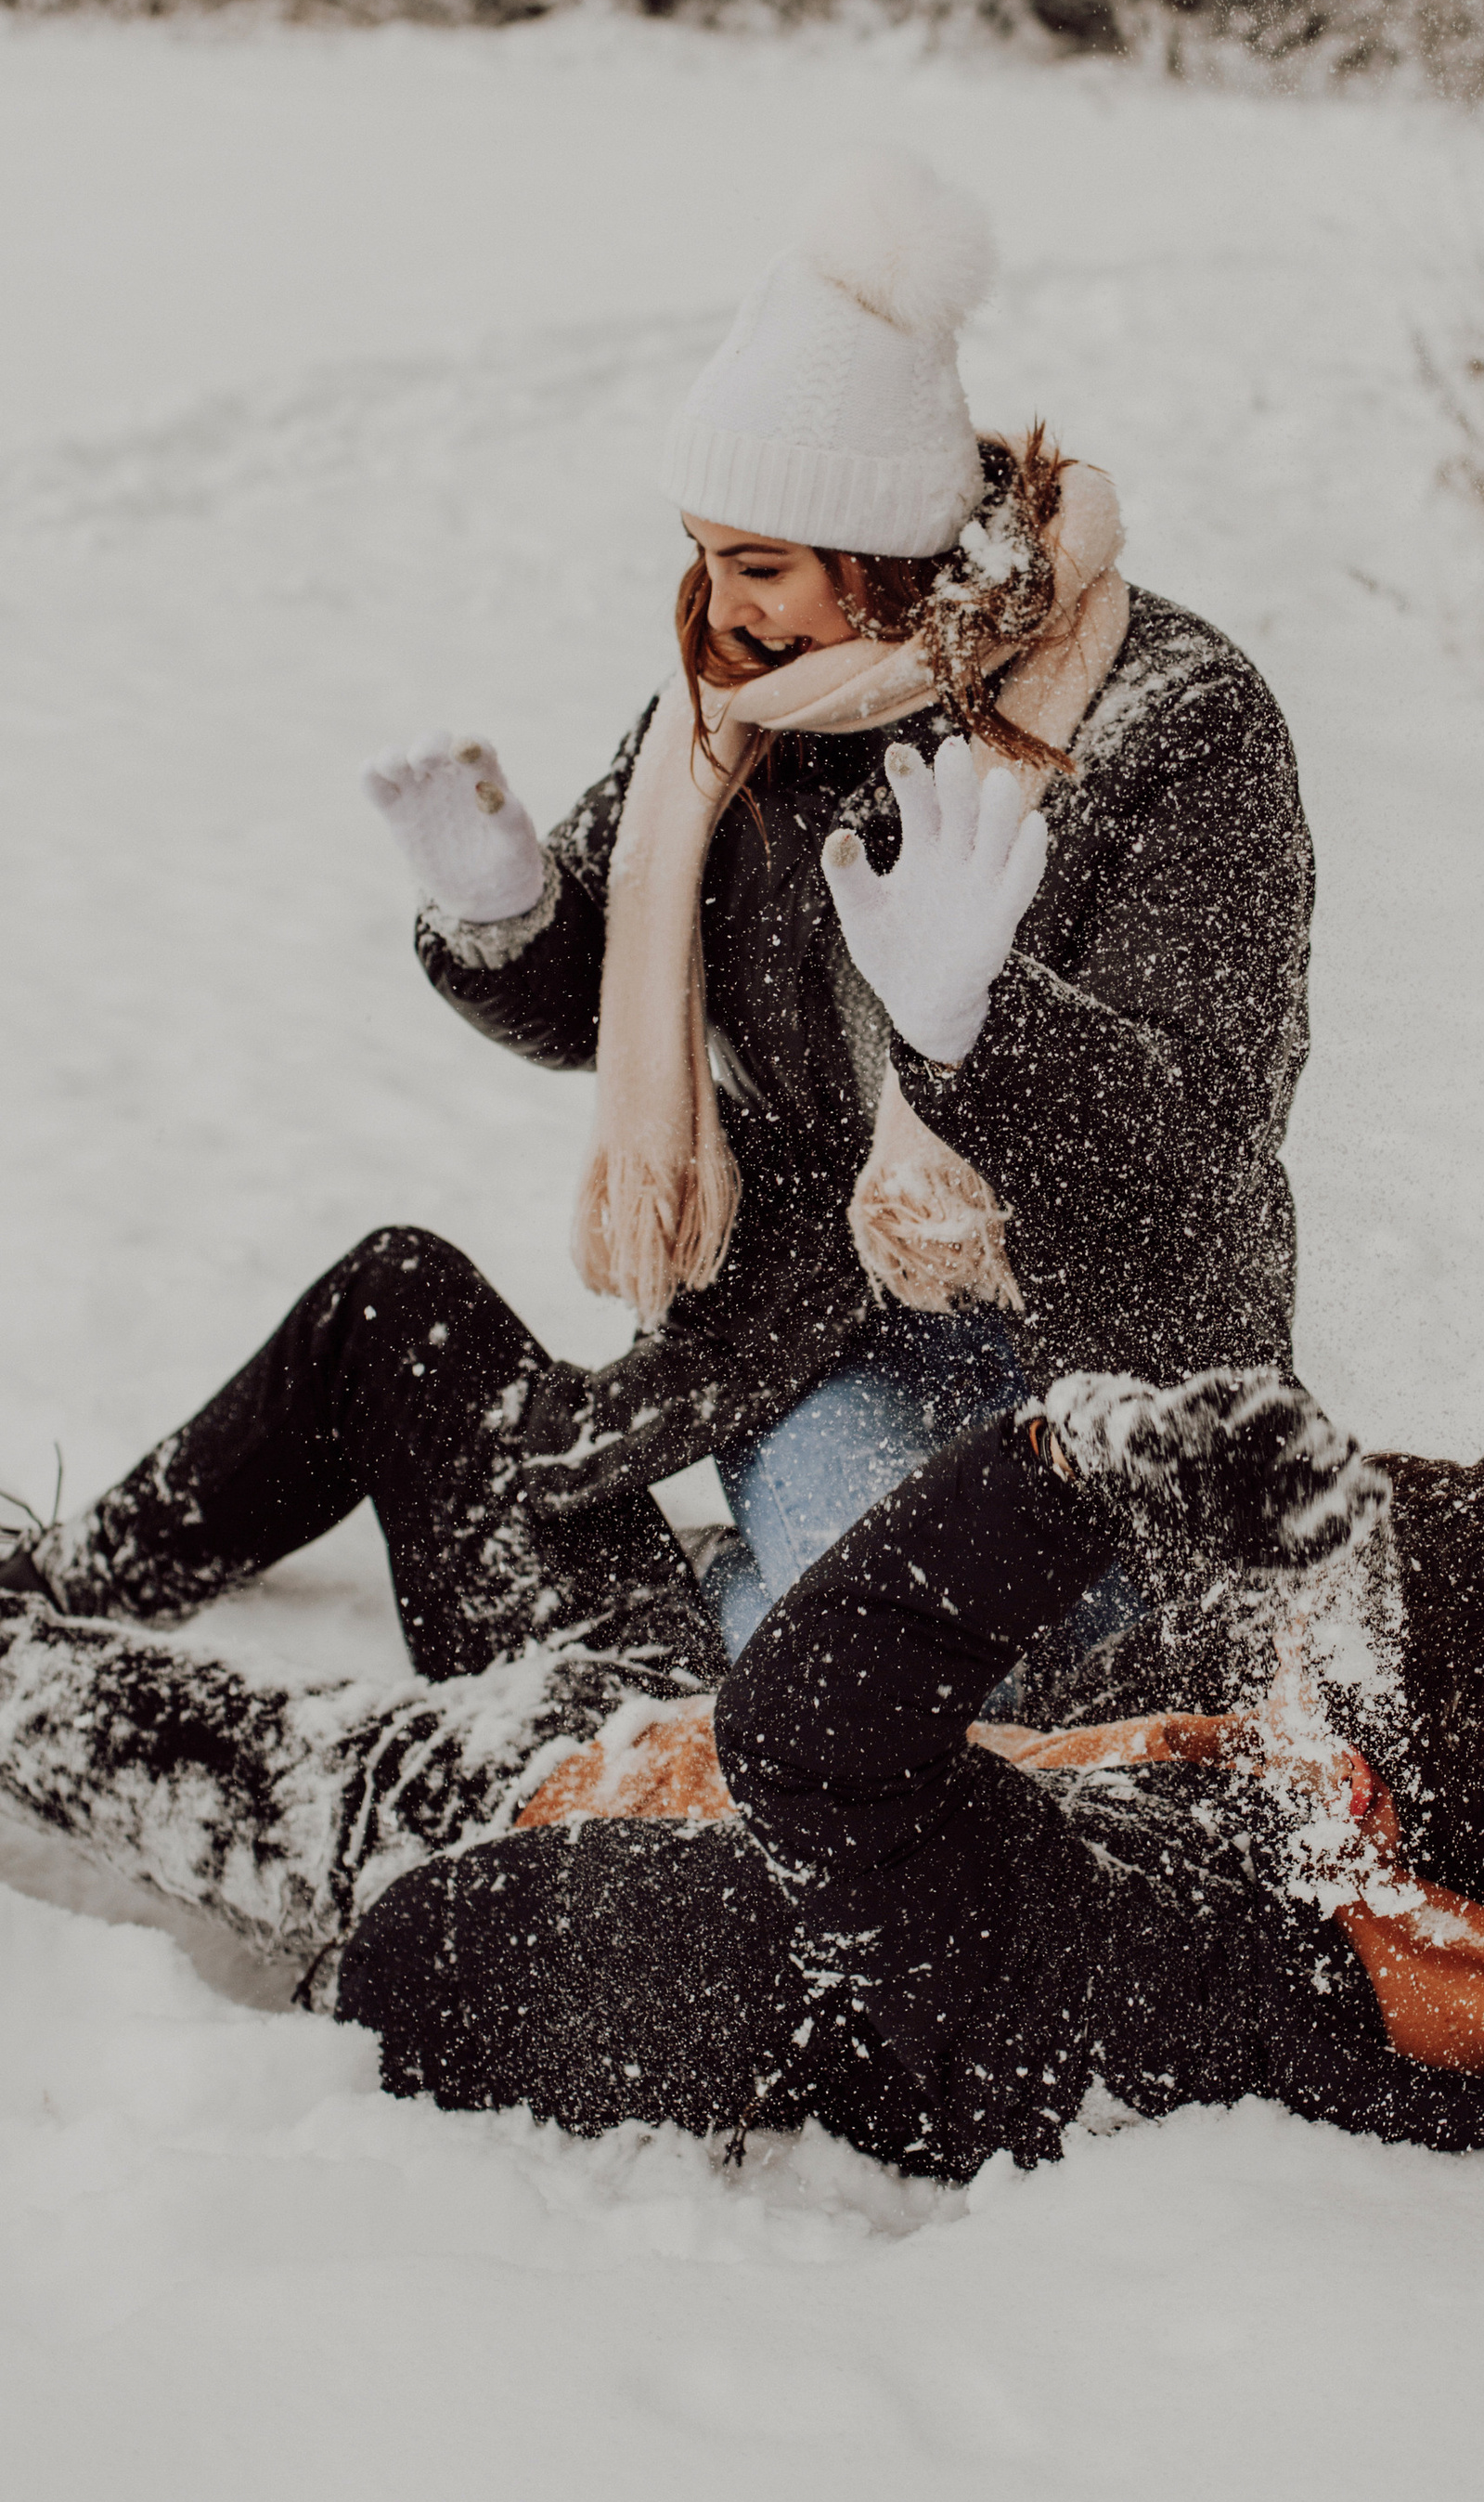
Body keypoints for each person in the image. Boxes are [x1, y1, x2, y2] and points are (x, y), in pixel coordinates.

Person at [72, 143, 1315, 1662]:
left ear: (885, 553)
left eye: (762, 565)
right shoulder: (745, 708)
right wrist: (508, 908)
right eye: (704, 559)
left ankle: (701, 1691)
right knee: (845, 1662)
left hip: (1086, 1362)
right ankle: (70, 1594)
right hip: (815, 1321)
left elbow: (1196, 1139)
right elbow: (595, 985)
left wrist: (977, 1034)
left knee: (957, 1683)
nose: (720, 608)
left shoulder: (1173, 718)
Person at [0, 1283, 1484, 2173]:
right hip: (666, 1694)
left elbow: (816, 1754)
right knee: (407, 1306)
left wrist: (1074, 1463)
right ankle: (78, 1555)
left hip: (497, 1825)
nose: (1250, 1616)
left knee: (98, 1709)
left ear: (1354, 1776)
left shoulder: (1163, 1963)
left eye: (1303, 1620)